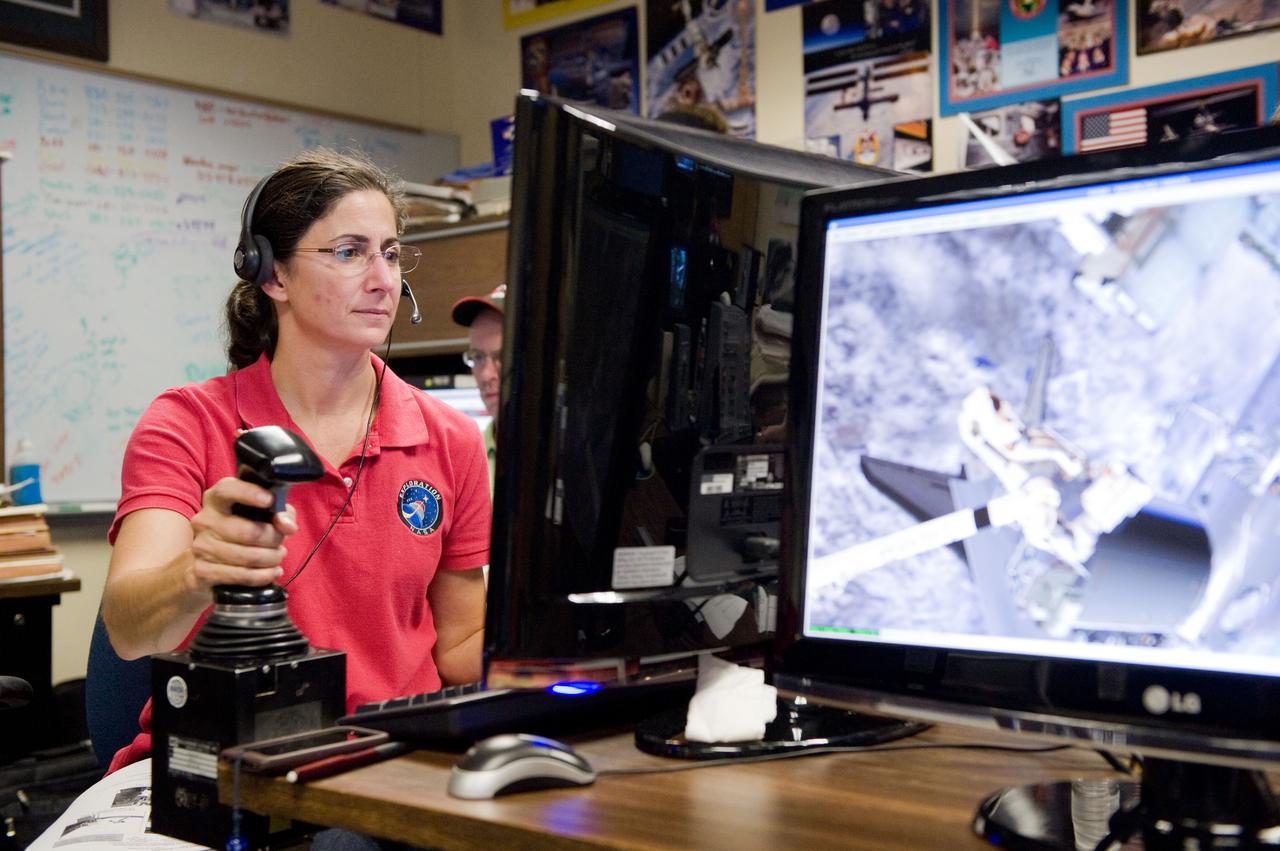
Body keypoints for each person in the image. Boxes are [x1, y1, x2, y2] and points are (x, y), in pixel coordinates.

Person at [98, 148, 491, 781]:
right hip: (220, 758)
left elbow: (461, 649)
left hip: (391, 762)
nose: (383, 278)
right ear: (271, 275)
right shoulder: (185, 422)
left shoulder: (449, 438)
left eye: (390, 252)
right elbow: (128, 629)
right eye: (349, 251)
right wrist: (197, 572)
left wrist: (578, 633)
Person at [451, 284, 505, 492]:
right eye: (478, 357)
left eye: (501, 356)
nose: (485, 375)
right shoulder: (463, 460)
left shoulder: (573, 454)